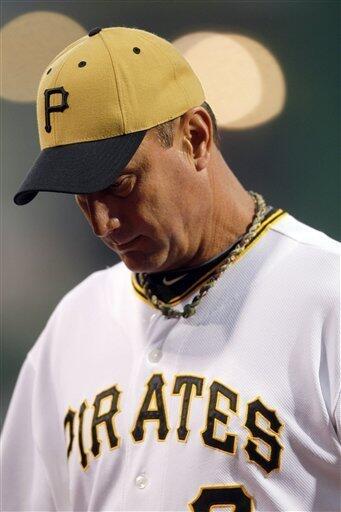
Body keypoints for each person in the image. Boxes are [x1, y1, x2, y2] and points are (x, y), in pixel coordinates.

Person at [1, 26, 340, 512]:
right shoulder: (74, 323)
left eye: (120, 185)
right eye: (82, 197)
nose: (103, 223)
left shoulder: (328, 295)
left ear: (196, 138)